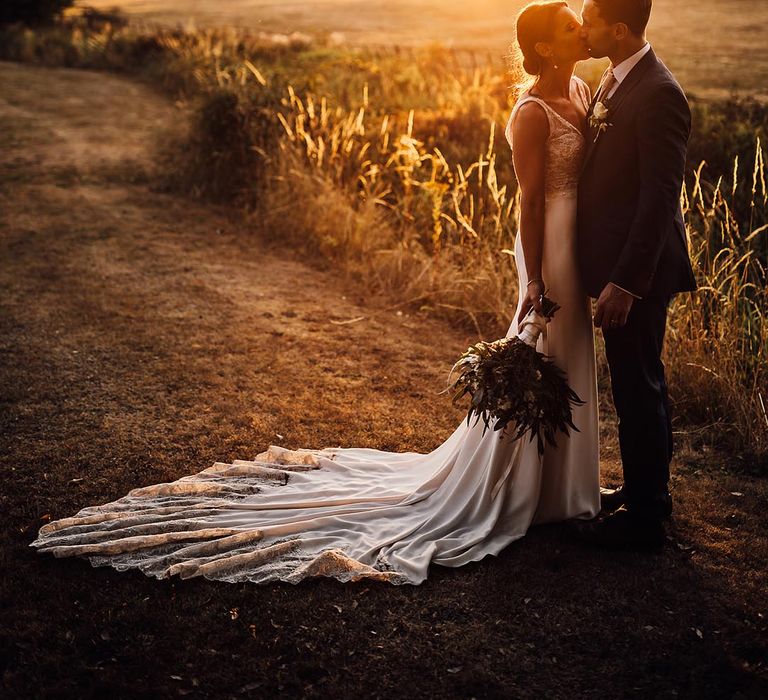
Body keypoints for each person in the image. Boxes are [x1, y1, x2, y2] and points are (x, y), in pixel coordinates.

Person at [29, 1, 601, 586]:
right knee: (542, 346)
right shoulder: (530, 113)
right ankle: (525, 491)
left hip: (581, 242)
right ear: (547, 48)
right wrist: (532, 276)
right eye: (568, 26)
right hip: (550, 242)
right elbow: (529, 202)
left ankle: (567, 486)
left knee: (571, 349)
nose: (581, 29)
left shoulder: (583, 93)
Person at [575, 0, 697, 549]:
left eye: (591, 20)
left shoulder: (660, 94)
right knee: (635, 380)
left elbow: (657, 200)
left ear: (618, 29)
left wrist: (626, 282)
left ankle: (648, 514)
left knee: (638, 384)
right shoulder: (616, 77)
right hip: (621, 262)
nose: (583, 29)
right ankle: (644, 490)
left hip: (641, 269)